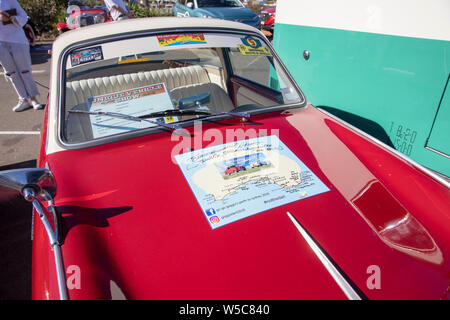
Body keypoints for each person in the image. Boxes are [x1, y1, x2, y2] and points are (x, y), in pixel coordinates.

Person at [0, 0, 43, 112]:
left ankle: (33, 99)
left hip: (17, 40)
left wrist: (10, 17)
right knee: (11, 72)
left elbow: (23, 17)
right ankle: (23, 99)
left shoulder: (9, 1)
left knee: (25, 70)